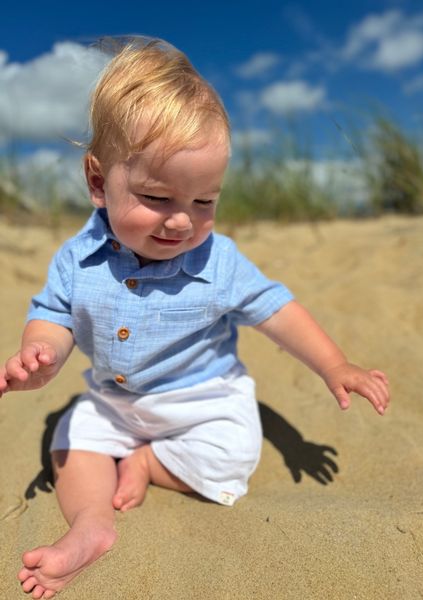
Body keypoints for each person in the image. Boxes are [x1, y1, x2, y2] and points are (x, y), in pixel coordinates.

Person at [0, 39, 389, 599]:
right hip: (117, 399)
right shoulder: (76, 259)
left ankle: (149, 463)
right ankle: (91, 524)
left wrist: (335, 364)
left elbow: (276, 310)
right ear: (96, 182)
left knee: (234, 457)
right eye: (156, 196)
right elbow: (53, 318)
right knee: (71, 436)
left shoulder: (220, 261)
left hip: (202, 399)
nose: (182, 221)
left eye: (205, 201)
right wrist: (41, 355)